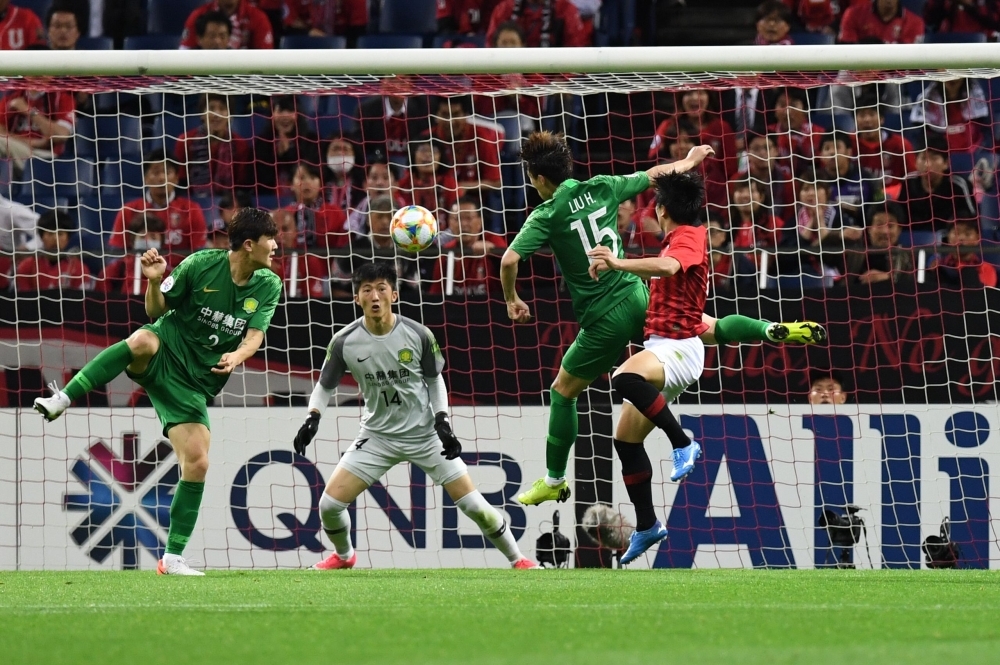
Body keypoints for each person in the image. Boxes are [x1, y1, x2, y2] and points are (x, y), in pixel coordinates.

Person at [501, 132, 826, 506]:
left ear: (539, 178)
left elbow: (509, 260)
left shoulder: (545, 213)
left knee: (563, 391)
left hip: (602, 319)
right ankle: (768, 328)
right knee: (703, 326)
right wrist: (688, 162)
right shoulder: (603, 186)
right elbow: (654, 174)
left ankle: (554, 478)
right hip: (639, 296)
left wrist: (512, 299)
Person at [34, 208, 281, 576]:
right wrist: (153, 281)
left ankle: (172, 558)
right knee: (140, 339)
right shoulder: (200, 264)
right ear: (249, 244)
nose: (276, 245)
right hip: (165, 348)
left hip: (195, 382)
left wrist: (236, 355)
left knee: (197, 462)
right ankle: (62, 398)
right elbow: (156, 311)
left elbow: (254, 337)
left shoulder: (268, 284)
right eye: (270, 238)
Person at [292, 261, 537, 570]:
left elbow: (435, 380)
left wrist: (443, 421)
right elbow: (324, 385)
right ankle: (344, 556)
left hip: (424, 436)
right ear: (357, 298)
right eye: (367, 290)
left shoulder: (418, 334)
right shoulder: (345, 341)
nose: (375, 296)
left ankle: (519, 560)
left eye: (382, 289)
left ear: (394, 295)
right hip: (377, 437)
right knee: (329, 505)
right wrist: (312, 417)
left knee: (475, 506)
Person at [585, 170, 711, 564]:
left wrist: (617, 263)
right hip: (665, 346)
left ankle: (683, 442)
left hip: (677, 349)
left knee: (625, 376)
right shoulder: (680, 236)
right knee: (625, 440)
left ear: (661, 210)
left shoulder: (687, 237)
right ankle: (647, 525)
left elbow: (670, 268)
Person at [108, 149, 208, 261]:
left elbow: (199, 253)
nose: (162, 178)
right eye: (156, 172)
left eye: (167, 172)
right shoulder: (128, 210)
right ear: (145, 179)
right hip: (138, 274)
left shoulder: (192, 209)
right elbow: (116, 254)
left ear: (176, 179)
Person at [173, 94, 254, 196]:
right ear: (202, 114)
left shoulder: (240, 144)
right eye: (211, 108)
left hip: (229, 204)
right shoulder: (185, 141)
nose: (216, 114)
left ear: (230, 116)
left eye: (222, 108)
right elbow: (180, 182)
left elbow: (242, 185)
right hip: (193, 203)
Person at [254, 95, 321, 197]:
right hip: (268, 199)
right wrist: (277, 156)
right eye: (280, 111)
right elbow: (259, 179)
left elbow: (312, 173)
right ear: (272, 115)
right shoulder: (263, 142)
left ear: (298, 114)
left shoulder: (311, 140)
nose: (285, 116)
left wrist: (288, 153)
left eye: (290, 111)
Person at [14, 209, 91, 291]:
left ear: (68, 238)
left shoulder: (80, 269)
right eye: (50, 234)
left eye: (60, 234)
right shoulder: (27, 266)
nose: (55, 239)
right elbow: (23, 300)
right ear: (41, 237)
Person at [0, 86, 75, 166]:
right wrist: (34, 143)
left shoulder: (62, 98)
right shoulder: (13, 97)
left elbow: (61, 135)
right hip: (15, 152)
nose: (37, 75)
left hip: (46, 157)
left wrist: (29, 110)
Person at [97, 213, 167, 295]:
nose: (147, 241)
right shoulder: (114, 271)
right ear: (133, 241)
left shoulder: (169, 274)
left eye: (153, 237)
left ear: (161, 243)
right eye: (142, 237)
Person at [485, 0, 589, 47]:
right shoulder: (504, 9)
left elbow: (576, 46)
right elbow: (490, 46)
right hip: (508, 75)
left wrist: (564, 78)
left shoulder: (565, 9)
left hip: (554, 76)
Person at [180, 0, 274, 50]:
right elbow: (183, 54)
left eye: (222, 36)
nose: (217, 41)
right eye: (212, 36)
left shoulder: (258, 18)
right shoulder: (198, 15)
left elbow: (266, 59)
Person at [838, 0, 925, 43]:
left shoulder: (915, 23)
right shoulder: (853, 14)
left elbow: (909, 59)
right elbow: (846, 48)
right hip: (857, 69)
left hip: (894, 74)